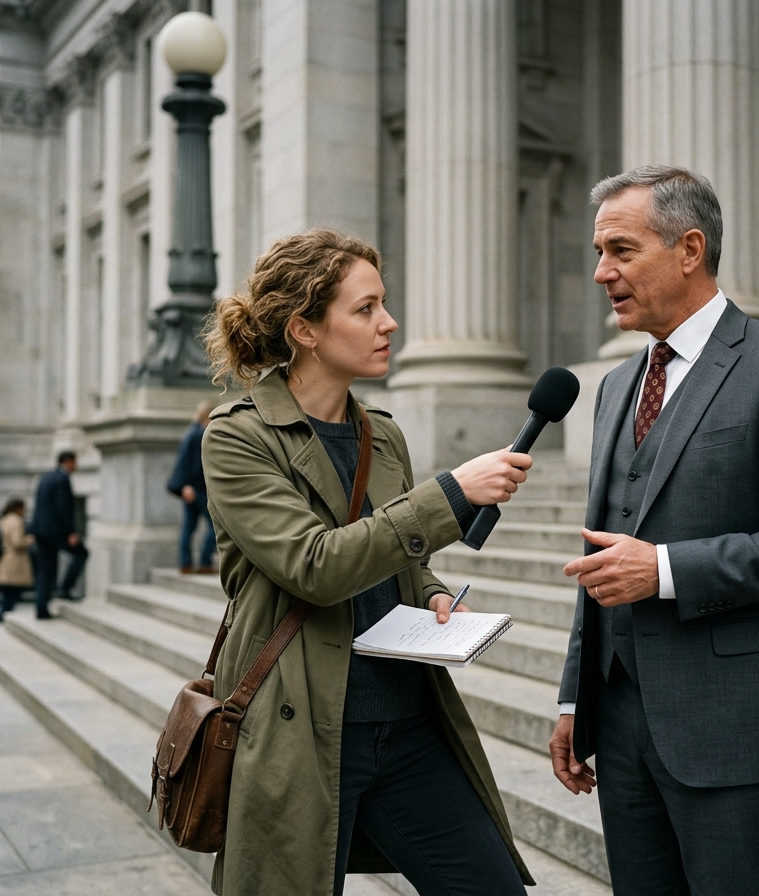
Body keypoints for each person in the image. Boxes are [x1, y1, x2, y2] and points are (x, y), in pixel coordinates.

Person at [551, 166, 759, 895]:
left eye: (621, 251)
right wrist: (574, 700)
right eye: (600, 253)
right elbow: (602, 556)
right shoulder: (617, 384)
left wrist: (663, 570)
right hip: (620, 722)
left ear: (689, 249)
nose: (602, 273)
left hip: (733, 724)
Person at [201, 229, 535, 896]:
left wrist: (433, 592)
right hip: (304, 731)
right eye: (366, 309)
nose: (390, 323)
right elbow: (315, 565)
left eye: (383, 304)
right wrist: (450, 494)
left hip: (408, 724)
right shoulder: (237, 439)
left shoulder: (381, 433)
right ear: (306, 330)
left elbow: (391, 552)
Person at [27, 450, 88, 619]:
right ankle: (64, 588)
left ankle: (42, 607)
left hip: (41, 530)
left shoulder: (46, 477)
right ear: (67, 462)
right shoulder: (62, 479)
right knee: (81, 553)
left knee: (45, 570)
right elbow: (63, 508)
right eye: (75, 462)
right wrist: (71, 532)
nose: (76, 466)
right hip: (55, 532)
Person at [168, 400, 217, 573]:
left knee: (189, 526)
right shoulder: (200, 434)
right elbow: (196, 464)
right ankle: (204, 561)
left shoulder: (193, 431)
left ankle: (186, 563)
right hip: (197, 488)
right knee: (216, 525)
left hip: (189, 488)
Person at [0, 497, 34, 622]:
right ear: (18, 508)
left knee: (7, 593)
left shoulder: (4, 519)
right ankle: (1, 618)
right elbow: (17, 542)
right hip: (13, 562)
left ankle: (2, 617)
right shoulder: (16, 521)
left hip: (4, 561)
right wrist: (28, 540)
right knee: (13, 594)